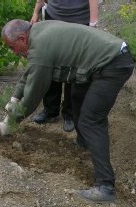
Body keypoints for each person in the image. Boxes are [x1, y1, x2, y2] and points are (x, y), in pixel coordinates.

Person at [0, 19, 134, 202]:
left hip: (112, 64)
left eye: (13, 47)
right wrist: (14, 98)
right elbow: (30, 72)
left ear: (22, 38)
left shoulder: (40, 47)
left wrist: (11, 121)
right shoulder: (38, 33)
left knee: (91, 120)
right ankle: (84, 144)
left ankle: (105, 187)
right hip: (105, 58)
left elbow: (34, 93)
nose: (14, 52)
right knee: (77, 96)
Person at [29, 0, 99, 132]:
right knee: (51, 62)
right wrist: (36, 11)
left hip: (79, 20)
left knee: (73, 66)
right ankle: (50, 110)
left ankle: (70, 113)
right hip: (53, 17)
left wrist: (93, 24)